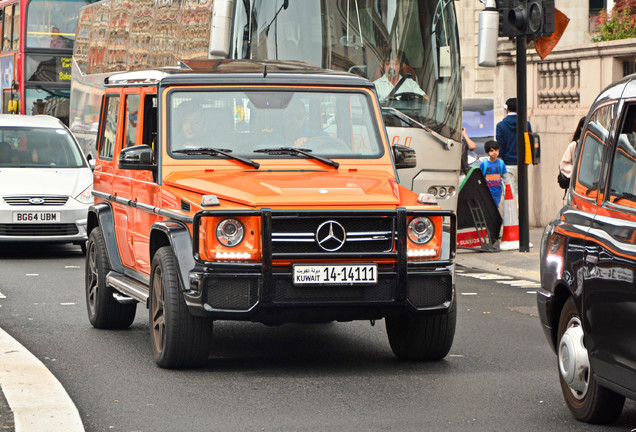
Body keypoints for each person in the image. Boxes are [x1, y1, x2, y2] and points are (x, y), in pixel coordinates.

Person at [495, 97, 532, 198]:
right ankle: (521, 213)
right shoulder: (526, 124)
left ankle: (512, 214)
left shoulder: (501, 126)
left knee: (509, 194)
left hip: (507, 165)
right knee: (521, 194)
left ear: (506, 108)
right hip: (522, 165)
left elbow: (500, 146)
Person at [558, 116, 586, 190]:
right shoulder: (574, 145)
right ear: (581, 128)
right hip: (576, 185)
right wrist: (577, 171)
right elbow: (563, 164)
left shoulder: (594, 145)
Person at [480, 140, 507, 206]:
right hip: (487, 192)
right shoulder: (484, 163)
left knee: (496, 207)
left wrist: (507, 189)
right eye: (491, 151)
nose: (494, 152)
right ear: (487, 152)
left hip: (498, 191)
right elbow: (480, 177)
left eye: (496, 150)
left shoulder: (501, 163)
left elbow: (505, 177)